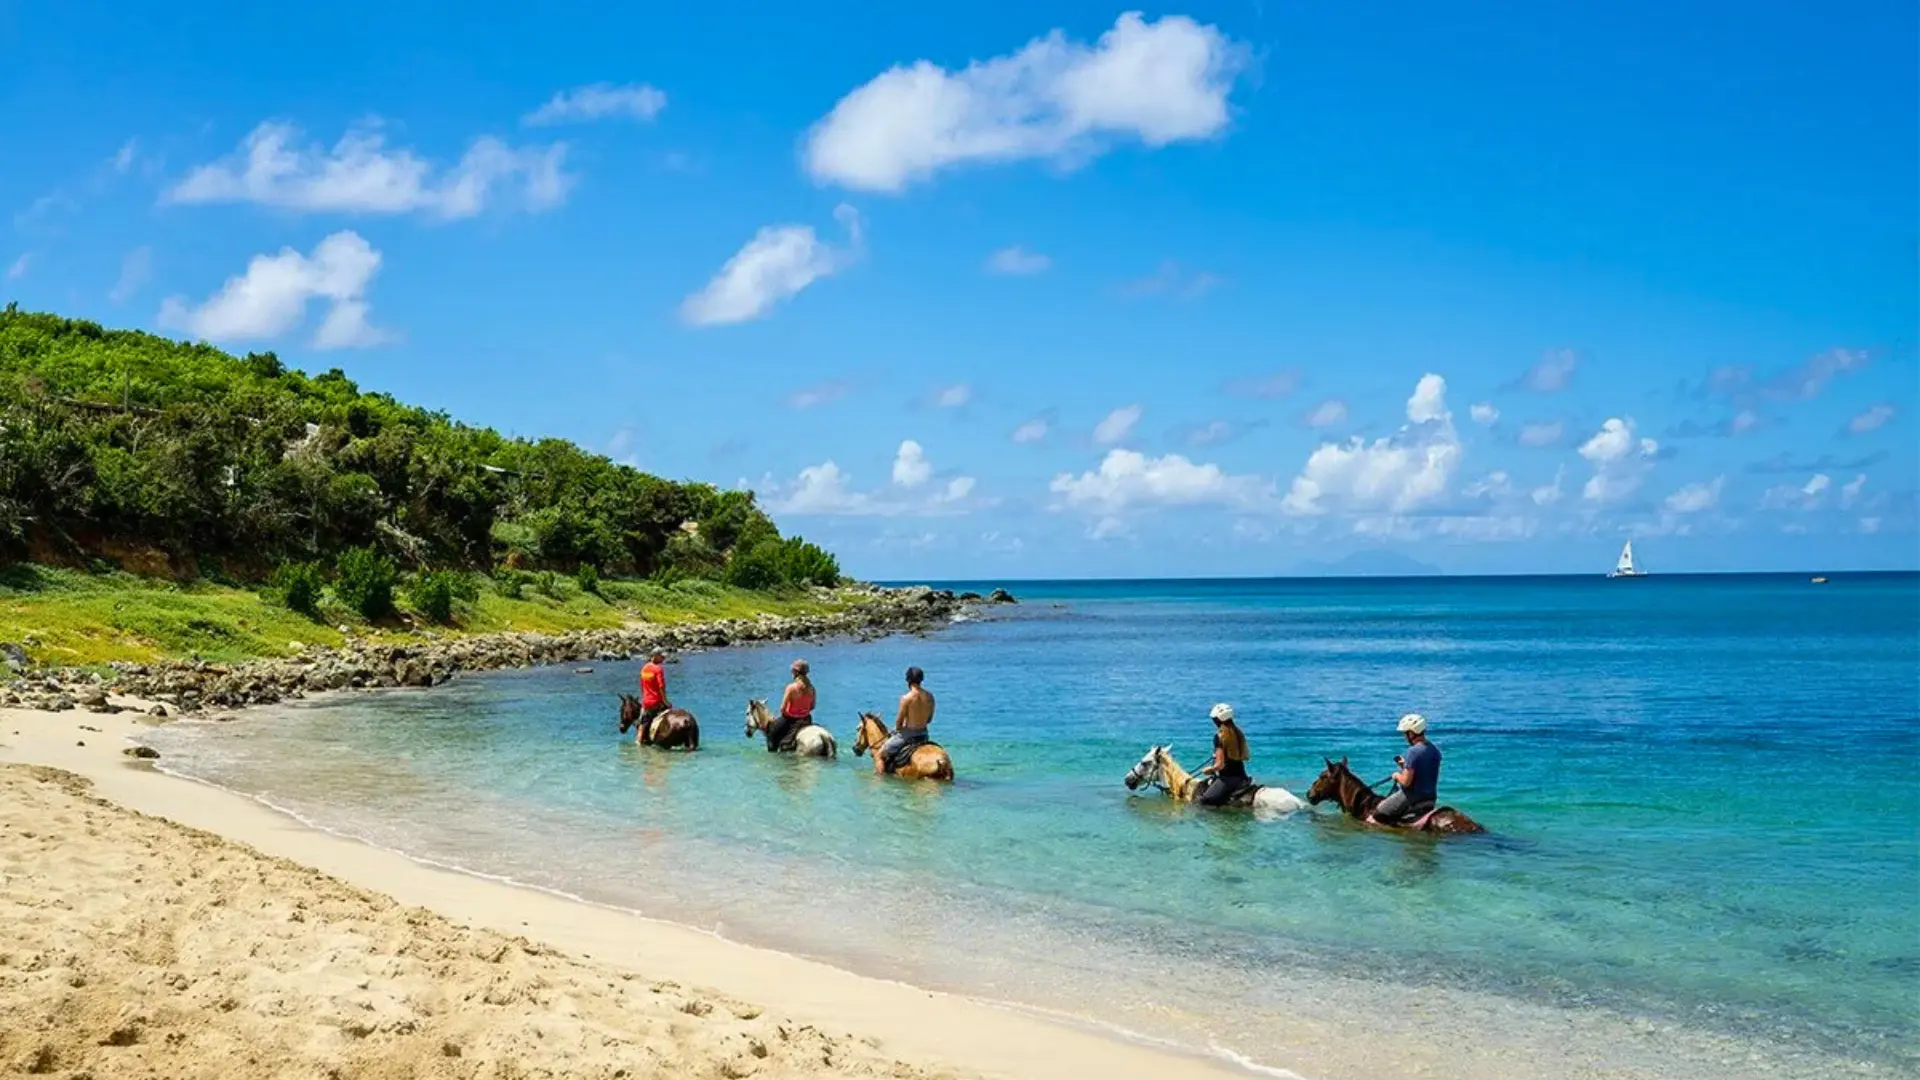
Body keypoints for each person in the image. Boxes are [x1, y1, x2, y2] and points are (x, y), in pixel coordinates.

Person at [1373, 712, 1441, 825]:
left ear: (1411, 733)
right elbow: (1424, 772)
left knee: (1378, 813)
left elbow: (1406, 783)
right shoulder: (1434, 749)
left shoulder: (1413, 751)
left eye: (1405, 733)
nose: (1404, 737)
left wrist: (1396, 775)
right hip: (1430, 797)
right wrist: (1404, 765)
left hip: (1412, 796)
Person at [877, 666, 934, 772]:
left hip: (908, 736)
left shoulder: (906, 698)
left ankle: (879, 784)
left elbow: (898, 724)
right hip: (924, 735)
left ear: (908, 680)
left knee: (879, 755)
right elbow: (929, 720)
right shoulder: (930, 696)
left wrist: (900, 727)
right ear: (921, 680)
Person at [1196, 703, 1253, 807]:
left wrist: (1208, 770)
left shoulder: (1220, 736)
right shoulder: (1238, 732)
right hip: (1242, 777)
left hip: (1228, 780)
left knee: (1202, 801)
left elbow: (1220, 765)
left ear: (1218, 720)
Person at [765, 659, 816, 752]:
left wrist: (791, 714)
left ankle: (775, 757)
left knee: (772, 734)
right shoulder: (812, 688)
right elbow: (812, 707)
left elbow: (782, 709)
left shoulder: (791, 688)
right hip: (806, 719)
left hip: (790, 720)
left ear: (795, 672)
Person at [636, 649, 671, 742]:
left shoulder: (644, 669)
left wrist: (644, 698)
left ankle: (639, 742)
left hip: (646, 702)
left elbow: (642, 686)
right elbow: (661, 687)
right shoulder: (658, 669)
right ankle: (638, 743)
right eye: (661, 656)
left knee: (641, 726)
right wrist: (666, 701)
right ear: (655, 656)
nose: (663, 658)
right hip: (656, 702)